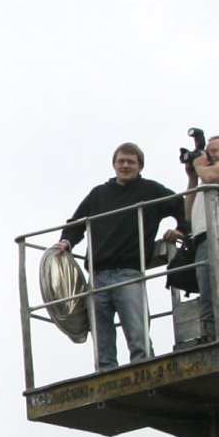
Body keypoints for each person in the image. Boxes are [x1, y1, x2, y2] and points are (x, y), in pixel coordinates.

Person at [55, 144, 181, 370]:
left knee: (137, 330)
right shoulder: (99, 194)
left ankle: (145, 369)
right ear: (114, 164)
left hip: (128, 272)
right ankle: (106, 373)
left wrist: (182, 229)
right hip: (98, 274)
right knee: (101, 335)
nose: (125, 166)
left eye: (131, 162)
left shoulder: (151, 190)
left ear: (140, 166)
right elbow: (75, 223)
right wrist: (67, 241)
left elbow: (182, 204)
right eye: (121, 161)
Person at [175, 133, 219, 345]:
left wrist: (199, 164)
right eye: (208, 151)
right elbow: (188, 214)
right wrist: (192, 176)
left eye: (214, 150)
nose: (210, 155)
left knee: (213, 299)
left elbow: (212, 177)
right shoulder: (206, 176)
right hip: (205, 241)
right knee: (212, 298)